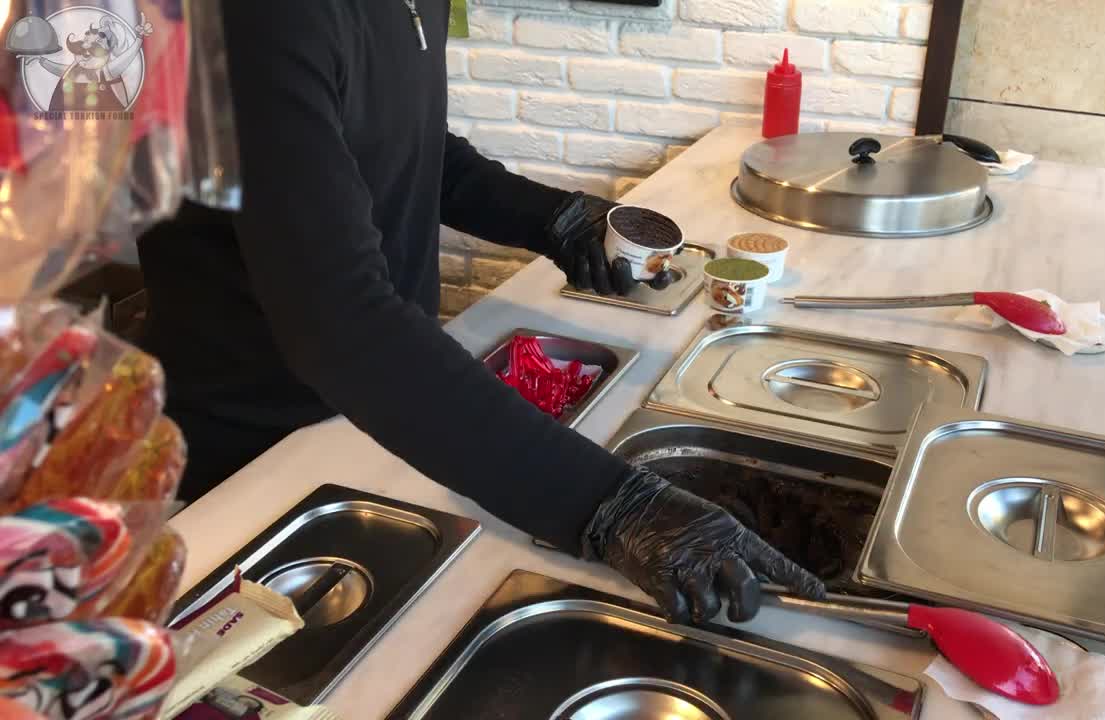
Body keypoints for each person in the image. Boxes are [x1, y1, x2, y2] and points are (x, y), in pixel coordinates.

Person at [137, 2, 824, 625]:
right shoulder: (253, 21)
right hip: (251, 463)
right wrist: (609, 507)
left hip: (380, 418)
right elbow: (339, 323)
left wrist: (554, 218)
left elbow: (419, 150)